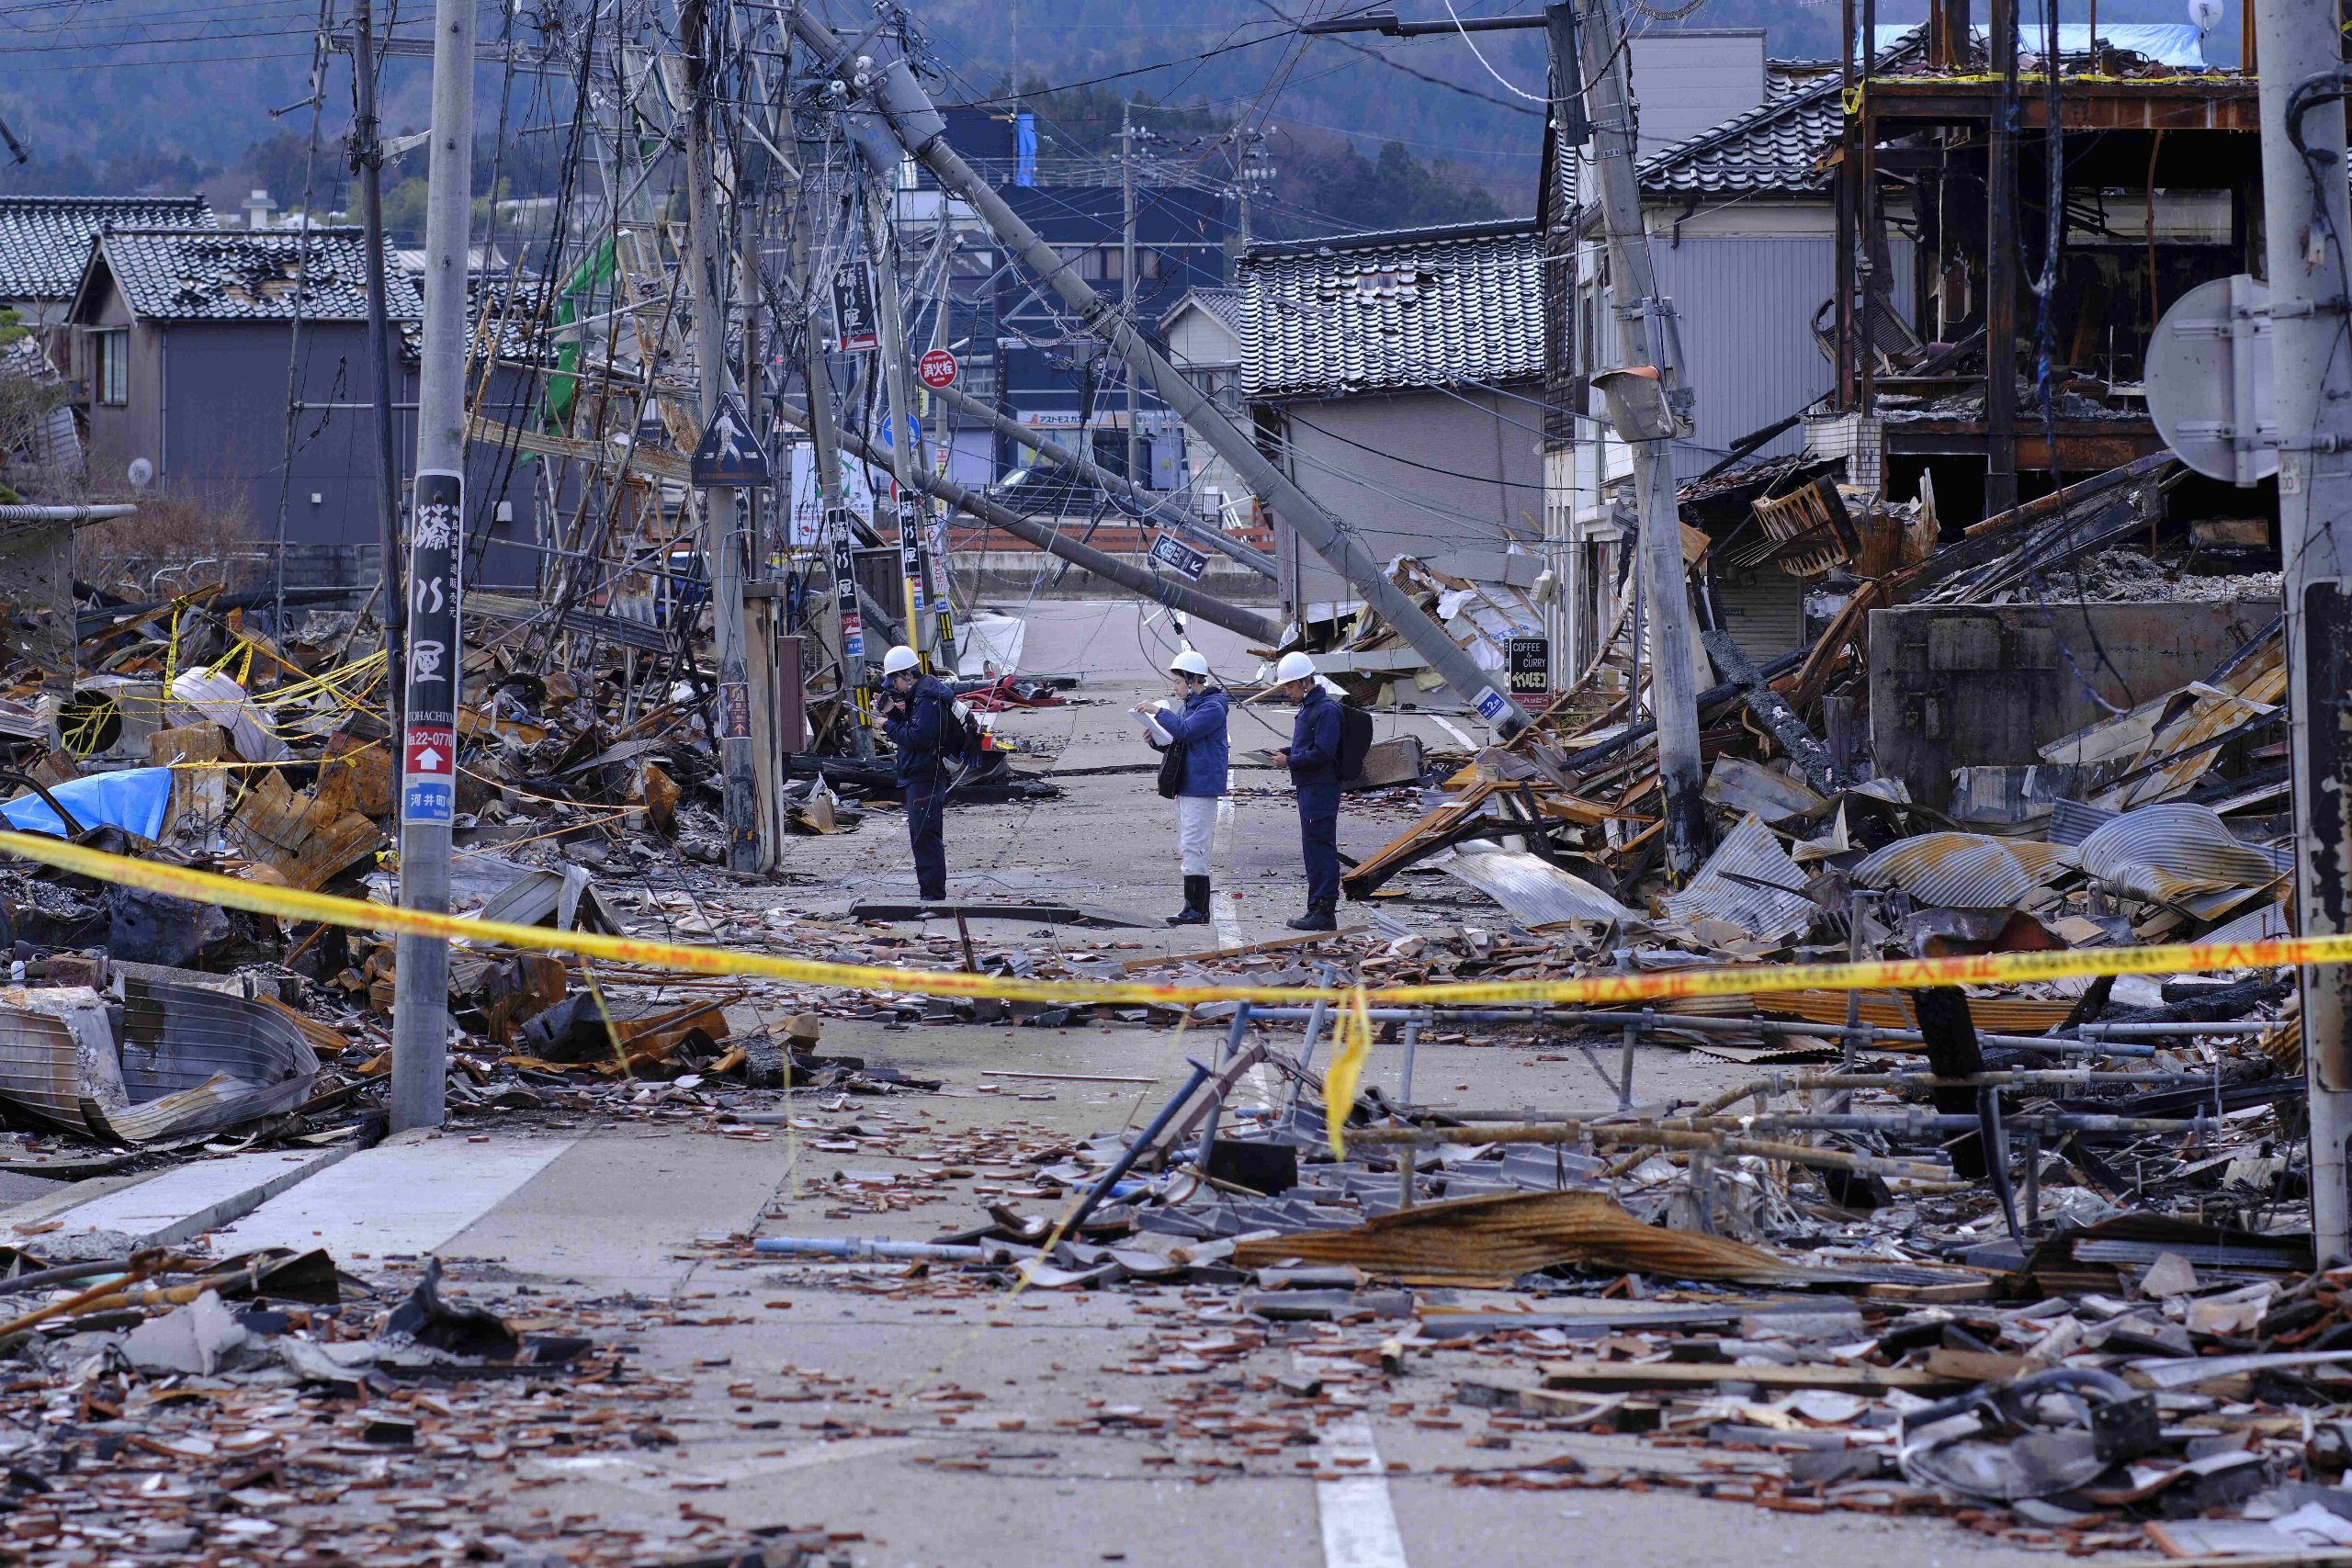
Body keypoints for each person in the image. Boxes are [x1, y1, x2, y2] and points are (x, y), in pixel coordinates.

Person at [1132, 649, 1229, 926]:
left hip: (1201, 785)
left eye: (1178, 682)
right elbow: (1179, 740)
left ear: (1192, 679)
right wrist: (1156, 740)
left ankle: (1197, 908)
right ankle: (1193, 906)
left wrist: (1158, 711)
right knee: (1188, 844)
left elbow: (1186, 732)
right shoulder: (1192, 705)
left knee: (1194, 845)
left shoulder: (1212, 708)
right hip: (1188, 783)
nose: (1175, 688)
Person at [1269, 650, 1341, 931]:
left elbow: (1324, 752)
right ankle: (1317, 908)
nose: (1287, 691)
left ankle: (1324, 911)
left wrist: (1289, 760)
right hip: (1311, 787)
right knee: (1314, 849)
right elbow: (1309, 748)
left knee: (1320, 849)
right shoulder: (1311, 709)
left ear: (1304, 682)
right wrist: (1285, 752)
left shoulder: (1325, 710)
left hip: (1320, 788)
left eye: (1289, 686)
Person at [878, 644, 954, 903]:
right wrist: (892, 714)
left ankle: (933, 898)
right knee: (922, 836)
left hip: (926, 776)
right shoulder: (921, 696)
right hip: (921, 775)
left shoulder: (928, 700)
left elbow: (919, 738)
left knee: (925, 838)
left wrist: (888, 725)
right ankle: (930, 895)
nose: (895, 687)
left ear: (908, 674)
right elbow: (913, 729)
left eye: (896, 680)